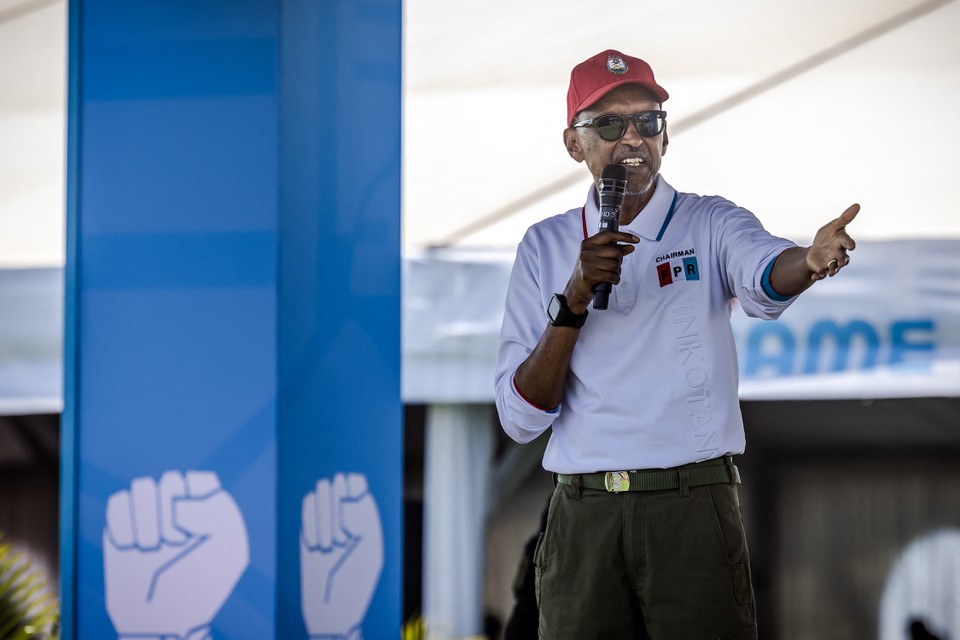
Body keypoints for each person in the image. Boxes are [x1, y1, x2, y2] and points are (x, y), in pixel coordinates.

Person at [494, 49, 859, 639]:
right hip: (586, 512)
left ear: (666, 135)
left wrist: (809, 262)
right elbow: (520, 416)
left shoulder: (709, 221)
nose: (633, 138)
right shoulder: (544, 245)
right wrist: (575, 299)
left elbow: (766, 272)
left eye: (648, 121)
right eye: (609, 125)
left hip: (693, 505)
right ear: (573, 144)